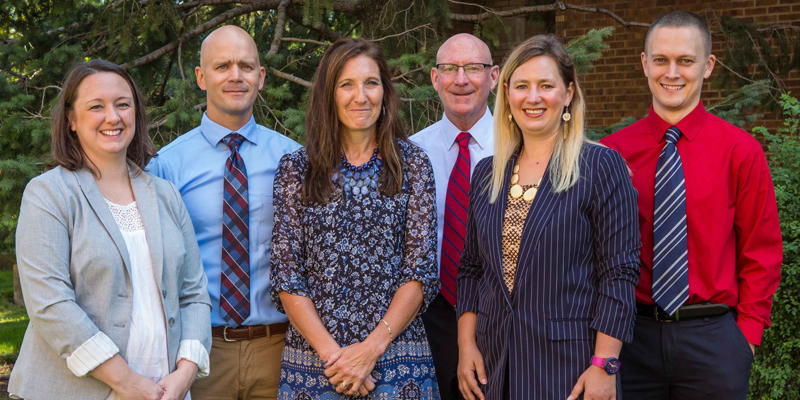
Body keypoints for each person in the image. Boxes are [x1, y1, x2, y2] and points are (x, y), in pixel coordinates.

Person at [600, 11, 782, 399]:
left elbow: (761, 250)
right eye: (661, 60)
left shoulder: (740, 151)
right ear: (645, 63)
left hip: (714, 342)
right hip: (630, 339)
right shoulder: (612, 153)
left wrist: (746, 340)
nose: (672, 73)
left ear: (708, 65)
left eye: (685, 60)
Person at [9, 59, 211, 400]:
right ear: (71, 119)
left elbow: (194, 293)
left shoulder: (165, 195)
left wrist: (186, 373)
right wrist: (126, 381)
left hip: (166, 390)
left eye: (123, 104)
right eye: (96, 107)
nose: (113, 117)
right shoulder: (49, 194)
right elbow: (50, 303)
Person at [456, 35, 641, 400]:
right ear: (507, 93)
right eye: (522, 86)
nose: (533, 97)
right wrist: (466, 346)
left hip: (570, 370)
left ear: (568, 93)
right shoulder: (487, 173)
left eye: (546, 85)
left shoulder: (600, 166)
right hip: (495, 367)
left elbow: (619, 273)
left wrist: (605, 365)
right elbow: (472, 269)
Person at [270, 38, 440, 399]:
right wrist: (338, 360)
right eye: (346, 84)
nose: (360, 97)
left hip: (397, 359)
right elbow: (287, 276)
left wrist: (370, 350)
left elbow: (420, 271)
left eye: (371, 83)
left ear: (385, 91)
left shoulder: (413, 165)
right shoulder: (296, 169)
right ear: (328, 94)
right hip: (316, 364)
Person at [147, 25, 301, 400]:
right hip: (199, 354)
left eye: (246, 66)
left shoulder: (294, 159)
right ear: (201, 77)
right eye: (222, 66)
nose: (236, 76)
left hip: (280, 349)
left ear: (261, 77)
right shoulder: (167, 166)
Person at [409, 33, 499, 400]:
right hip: (427, 319)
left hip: (500, 317)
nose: (461, 80)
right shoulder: (410, 154)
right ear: (435, 78)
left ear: (493, 76)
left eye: (473, 68)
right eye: (449, 69)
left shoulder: (521, 147)